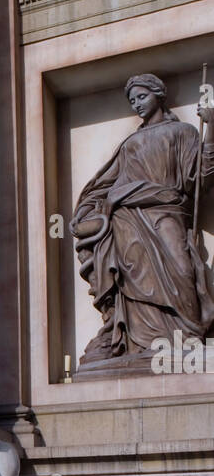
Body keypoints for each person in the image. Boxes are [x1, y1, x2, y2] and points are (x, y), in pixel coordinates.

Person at [72, 73, 214, 364]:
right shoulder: (130, 142)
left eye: (142, 96)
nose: (137, 104)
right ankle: (141, 344)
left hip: (167, 213)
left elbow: (198, 179)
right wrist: (87, 212)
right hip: (128, 219)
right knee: (135, 281)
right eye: (132, 100)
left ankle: (188, 337)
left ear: (158, 95)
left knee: (183, 271)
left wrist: (211, 126)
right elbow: (104, 184)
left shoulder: (184, 132)